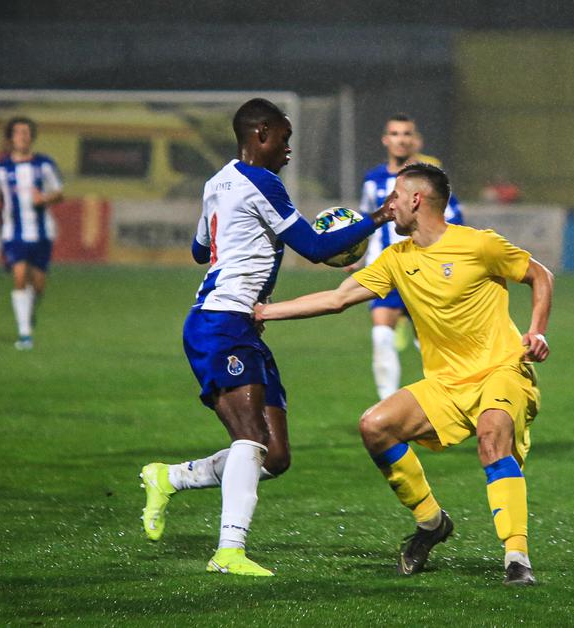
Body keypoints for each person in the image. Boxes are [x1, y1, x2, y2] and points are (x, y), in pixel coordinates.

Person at [256, 163, 553, 586]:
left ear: (416, 199)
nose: (386, 205)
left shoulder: (478, 245)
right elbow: (338, 298)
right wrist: (265, 311)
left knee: (492, 436)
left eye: (394, 196)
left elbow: (540, 275)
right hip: (446, 383)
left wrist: (536, 330)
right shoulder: (395, 259)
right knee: (376, 426)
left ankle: (516, 557)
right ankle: (432, 524)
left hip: (501, 370)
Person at [138, 98, 393, 577]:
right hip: (221, 322)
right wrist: (375, 219)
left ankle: (168, 478)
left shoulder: (218, 181)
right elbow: (316, 248)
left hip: (236, 323)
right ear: (259, 134)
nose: (289, 149)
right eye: (283, 138)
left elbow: (199, 250)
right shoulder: (263, 182)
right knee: (251, 439)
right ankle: (228, 552)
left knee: (273, 456)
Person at [358, 114, 464, 400]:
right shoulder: (373, 180)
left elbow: (454, 216)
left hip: (424, 267)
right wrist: (357, 254)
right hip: (386, 268)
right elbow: (368, 218)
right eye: (394, 133)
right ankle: (388, 406)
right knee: (381, 335)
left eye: (406, 133)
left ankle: (453, 397)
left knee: (430, 342)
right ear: (385, 139)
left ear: (414, 139)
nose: (401, 139)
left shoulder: (429, 177)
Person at [0, 117, 64, 350]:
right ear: (11, 137)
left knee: (38, 285)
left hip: (42, 232)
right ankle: (25, 334)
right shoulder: (2, 168)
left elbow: (59, 193)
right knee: (19, 277)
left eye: (26, 132)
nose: (22, 136)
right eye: (18, 132)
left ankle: (29, 312)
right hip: (13, 232)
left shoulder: (44, 164)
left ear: (32, 136)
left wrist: (45, 198)